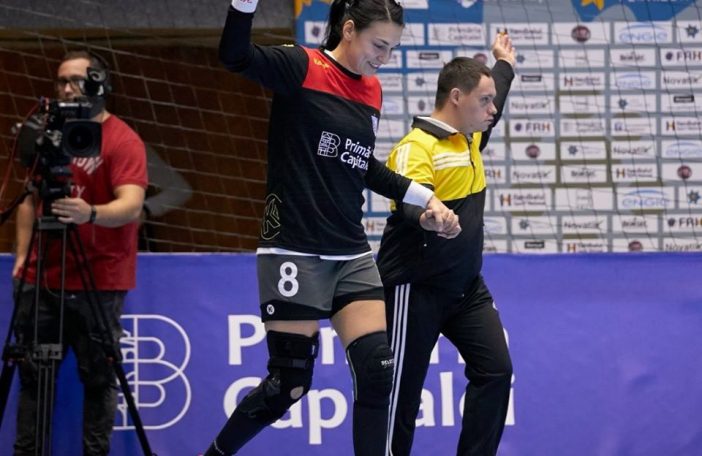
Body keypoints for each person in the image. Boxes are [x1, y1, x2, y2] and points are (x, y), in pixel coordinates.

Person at [204, 1, 460, 455]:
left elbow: (361, 165)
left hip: (351, 253)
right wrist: (244, 5)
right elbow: (235, 56)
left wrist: (427, 199)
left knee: (377, 373)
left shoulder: (372, 91)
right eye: (378, 45)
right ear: (349, 29)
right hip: (294, 249)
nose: (384, 57)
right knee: (287, 385)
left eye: (392, 48)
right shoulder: (301, 66)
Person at [377, 33, 517, 456]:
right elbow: (408, 201)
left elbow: (495, 91)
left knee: (496, 371)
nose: (493, 110)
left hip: (465, 288)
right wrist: (429, 216)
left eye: (493, 101)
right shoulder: (416, 148)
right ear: (456, 97)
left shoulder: (471, 136)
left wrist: (504, 64)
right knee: (400, 395)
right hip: (414, 288)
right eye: (484, 102)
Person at [11, 50, 148, 456]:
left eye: (76, 80)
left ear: (98, 84)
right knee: (34, 376)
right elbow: (28, 200)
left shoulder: (122, 139)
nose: (67, 89)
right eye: (61, 81)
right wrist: (21, 257)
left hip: (98, 280)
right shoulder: (47, 136)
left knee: (99, 377)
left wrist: (90, 213)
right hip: (43, 276)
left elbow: (132, 204)